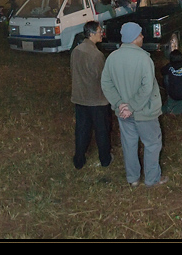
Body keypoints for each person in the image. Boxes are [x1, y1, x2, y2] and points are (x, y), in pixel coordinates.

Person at [100, 22, 166, 187]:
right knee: (152, 144)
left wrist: (119, 104)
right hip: (145, 112)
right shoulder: (144, 59)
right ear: (134, 38)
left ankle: (133, 178)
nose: (143, 37)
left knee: (129, 145)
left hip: (123, 114)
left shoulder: (112, 58)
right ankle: (152, 179)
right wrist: (132, 106)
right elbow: (147, 88)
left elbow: (106, 83)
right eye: (140, 34)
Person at [71, 21, 111, 170]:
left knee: (82, 129)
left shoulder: (76, 50)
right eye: (100, 31)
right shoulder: (96, 55)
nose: (102, 33)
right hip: (96, 100)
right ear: (92, 33)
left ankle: (79, 160)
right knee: (102, 130)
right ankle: (105, 159)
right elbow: (103, 78)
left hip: (80, 97)